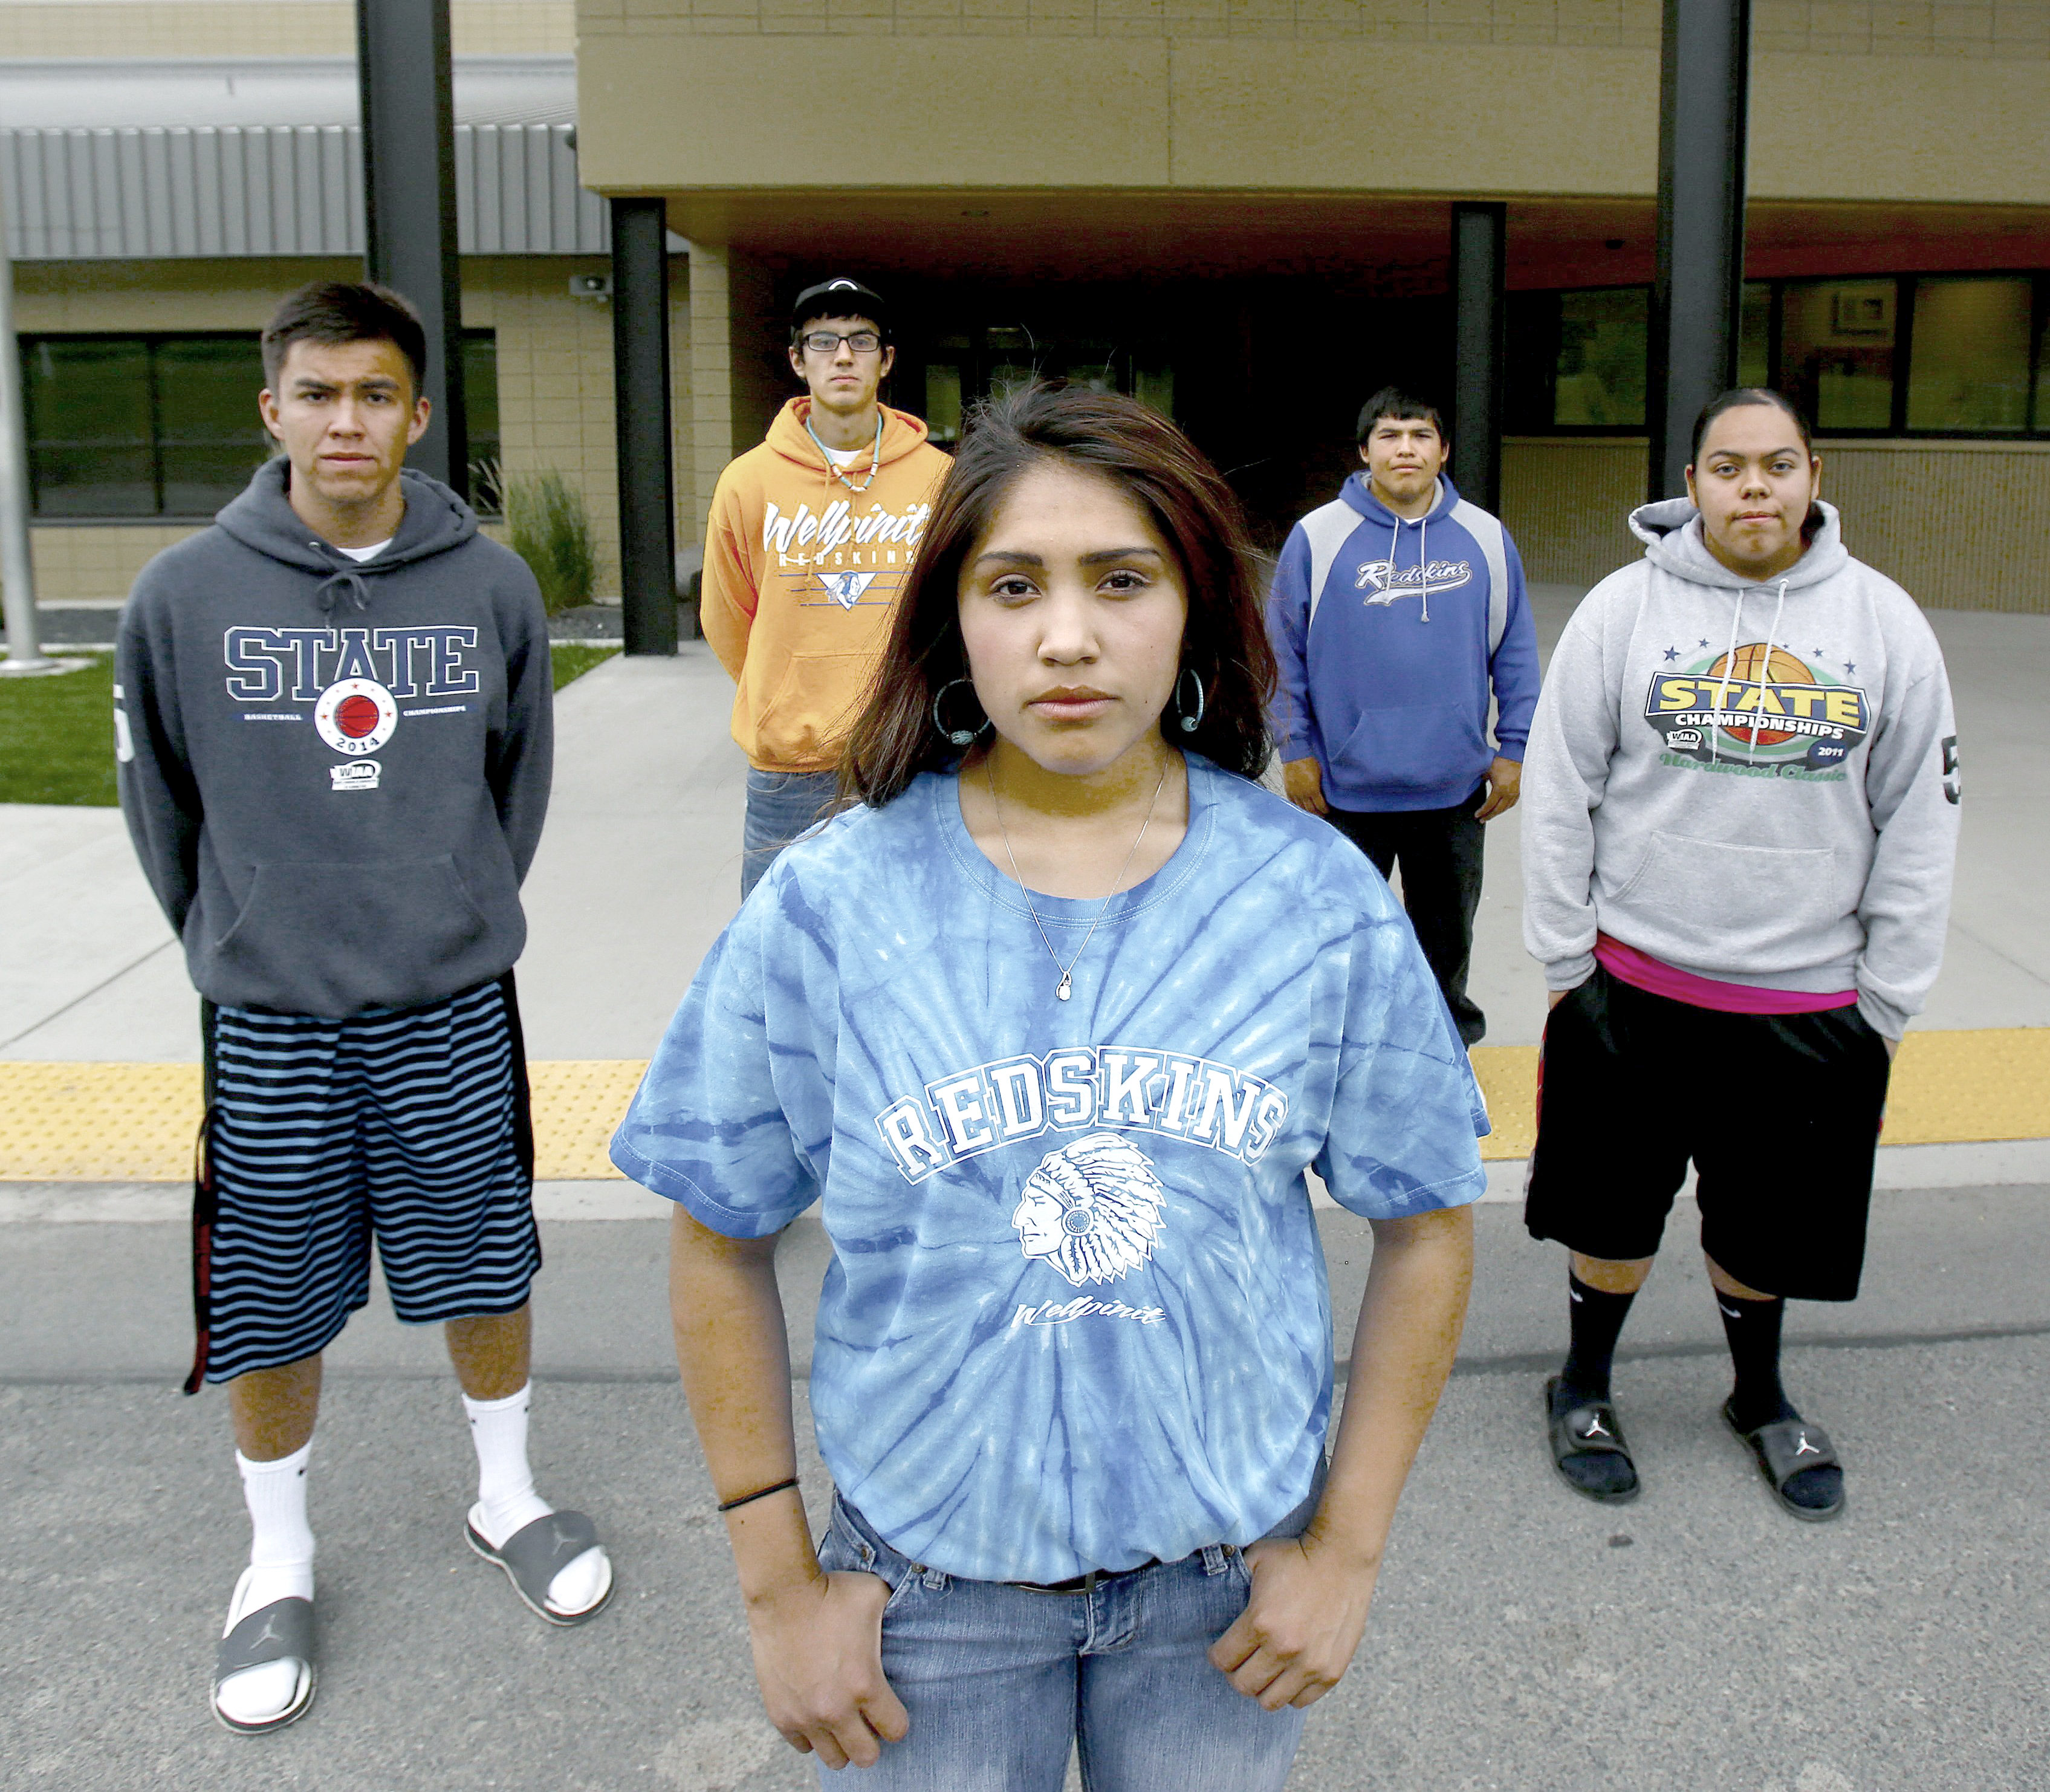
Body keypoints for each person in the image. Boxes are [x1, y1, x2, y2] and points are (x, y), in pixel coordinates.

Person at [613, 383, 1487, 1789]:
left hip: (1224, 1590)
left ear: (1194, 608)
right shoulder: (832, 900)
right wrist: (777, 1578)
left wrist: (1348, 1549)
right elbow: (718, 1227)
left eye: (1121, 580)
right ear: (951, 618)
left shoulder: (1308, 896)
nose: (1066, 635)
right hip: (923, 1597)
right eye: (1011, 583)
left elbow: (1428, 1212)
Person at [114, 281, 613, 1736]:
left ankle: (505, 1492)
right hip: (271, 1012)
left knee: (485, 1256)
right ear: (271, 408)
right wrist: (252, 932)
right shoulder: (181, 596)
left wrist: (443, 911)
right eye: (318, 393)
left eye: (375, 393)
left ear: (417, 410)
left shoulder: (491, 589)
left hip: (449, 1001)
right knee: (269, 1294)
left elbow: (511, 791)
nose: (348, 420)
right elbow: (166, 818)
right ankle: (277, 1550)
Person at [1520, 387, 1961, 1522]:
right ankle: (1581, 1382)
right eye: (1727, 467)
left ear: (1814, 474)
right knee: (1609, 1214)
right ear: (1692, 482)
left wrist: (1885, 1001)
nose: (1752, 488)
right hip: (1633, 988)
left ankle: (1756, 1394)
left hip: (1806, 1002)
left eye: (1775, 464)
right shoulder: (1624, 610)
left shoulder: (1884, 624)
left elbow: (1921, 817)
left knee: (1762, 1226)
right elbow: (1560, 788)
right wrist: (1568, 967)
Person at [1268, 386, 1541, 1047]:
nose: (1405, 449)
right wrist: (1294, 749)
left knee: (1444, 942)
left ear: (1442, 451)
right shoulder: (1317, 536)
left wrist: (1515, 749)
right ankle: (1341, 1049)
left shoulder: (1483, 537)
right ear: (1364, 452)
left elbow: (1515, 649)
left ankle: (1446, 1050)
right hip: (1342, 787)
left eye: (1419, 435)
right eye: (1389, 436)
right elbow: (1282, 651)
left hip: (1451, 788)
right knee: (1338, 936)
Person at [700, 276, 953, 896]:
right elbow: (729, 619)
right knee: (779, 951)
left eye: (860, 341)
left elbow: (952, 613)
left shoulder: (940, 478)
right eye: (823, 341)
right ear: (797, 360)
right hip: (789, 773)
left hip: (905, 760)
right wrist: (786, 692)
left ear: (885, 360)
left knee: (907, 942)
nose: (842, 356)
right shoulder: (747, 482)